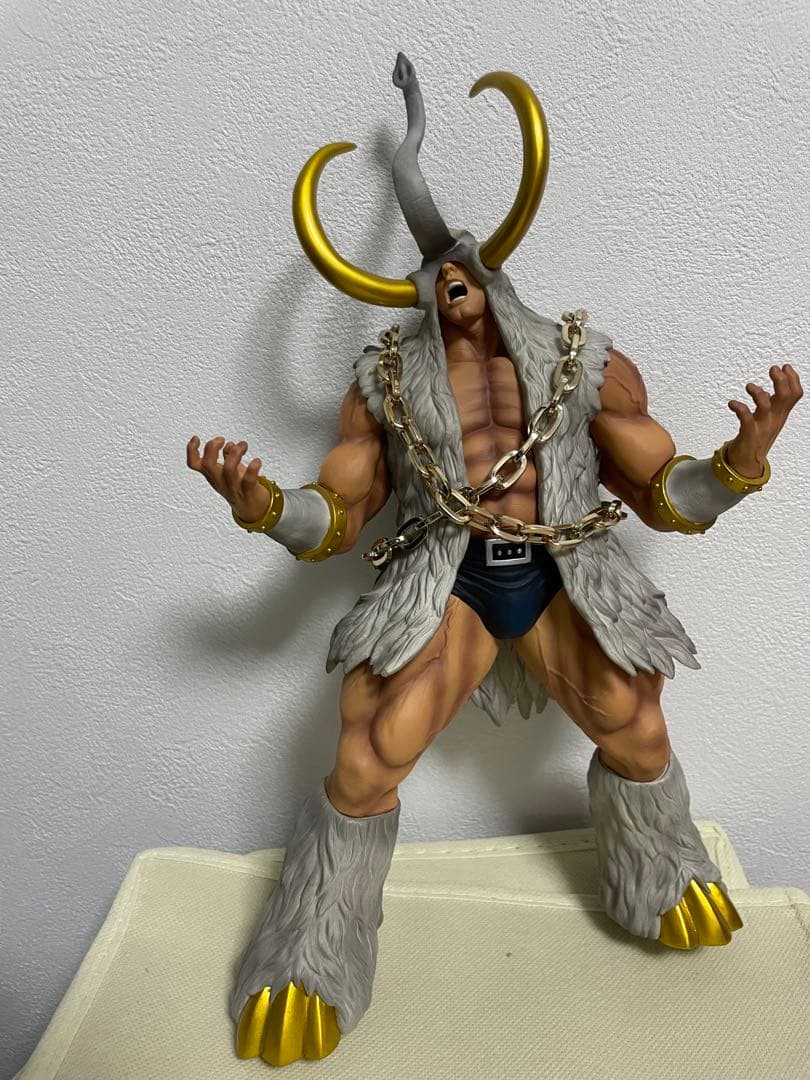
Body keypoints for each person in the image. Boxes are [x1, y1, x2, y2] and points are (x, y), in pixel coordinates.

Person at [186, 54, 802, 1068]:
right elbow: (341, 510)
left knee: (638, 726)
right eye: (435, 274)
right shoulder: (385, 381)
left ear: (494, 270)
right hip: (449, 581)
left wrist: (739, 464)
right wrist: (267, 510)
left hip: (564, 576)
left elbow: (662, 490)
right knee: (366, 754)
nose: (449, 274)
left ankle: (663, 883)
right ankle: (310, 958)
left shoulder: (583, 362)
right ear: (421, 294)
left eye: (463, 263)